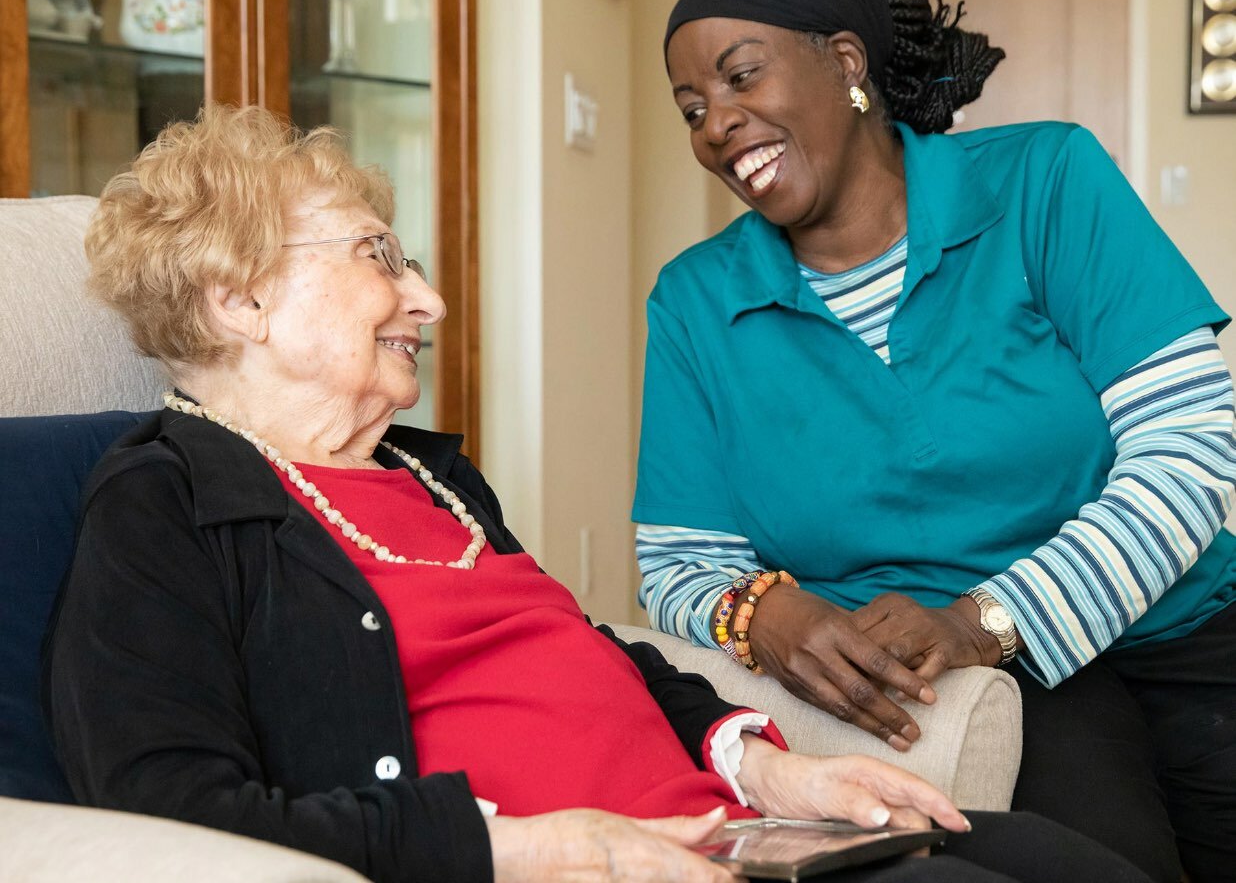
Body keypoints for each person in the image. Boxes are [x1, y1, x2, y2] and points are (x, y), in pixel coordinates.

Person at [40, 105, 1149, 883]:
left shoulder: (427, 474)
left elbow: (595, 660)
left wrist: (770, 770)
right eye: (380, 254)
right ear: (239, 300)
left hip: (723, 841)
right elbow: (169, 813)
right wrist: (529, 851)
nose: (423, 297)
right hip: (592, 871)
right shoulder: (163, 503)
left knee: (1068, 862)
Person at [634, 0, 1236, 883]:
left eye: (742, 78)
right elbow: (678, 560)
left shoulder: (1045, 181)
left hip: (1180, 643)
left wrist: (978, 620)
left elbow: (1190, 450)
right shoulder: (697, 302)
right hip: (962, 695)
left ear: (844, 63)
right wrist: (771, 618)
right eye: (694, 108)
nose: (717, 124)